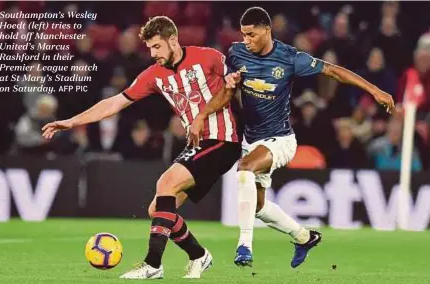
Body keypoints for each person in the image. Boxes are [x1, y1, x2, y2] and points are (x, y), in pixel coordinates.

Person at [189, 7, 395, 269]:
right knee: (258, 207)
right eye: (243, 35)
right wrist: (202, 115)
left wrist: (374, 90)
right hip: (251, 141)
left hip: (280, 140)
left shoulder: (289, 58)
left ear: (266, 29)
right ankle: (304, 236)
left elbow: (332, 71)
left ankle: (244, 246)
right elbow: (228, 93)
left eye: (251, 35)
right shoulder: (237, 53)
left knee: (244, 169)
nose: (247, 40)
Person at [42, 16, 241, 279]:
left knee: (165, 183)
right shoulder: (154, 75)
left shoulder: (208, 57)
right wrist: (71, 121)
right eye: (149, 48)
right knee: (158, 210)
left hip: (222, 139)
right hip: (198, 143)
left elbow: (234, 84)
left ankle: (153, 264)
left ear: (173, 40)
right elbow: (113, 103)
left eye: (157, 47)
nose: (152, 53)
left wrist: (207, 115)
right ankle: (198, 255)